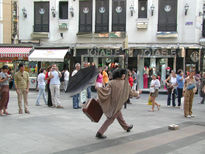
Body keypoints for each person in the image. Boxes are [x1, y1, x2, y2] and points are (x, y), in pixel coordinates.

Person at [95, 69, 142, 139]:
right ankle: (100, 132)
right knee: (110, 119)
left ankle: (126, 127)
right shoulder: (125, 84)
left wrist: (99, 89)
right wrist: (138, 93)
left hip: (111, 102)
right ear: (122, 75)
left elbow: (105, 91)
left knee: (119, 116)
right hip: (118, 103)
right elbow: (131, 93)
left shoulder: (111, 82)